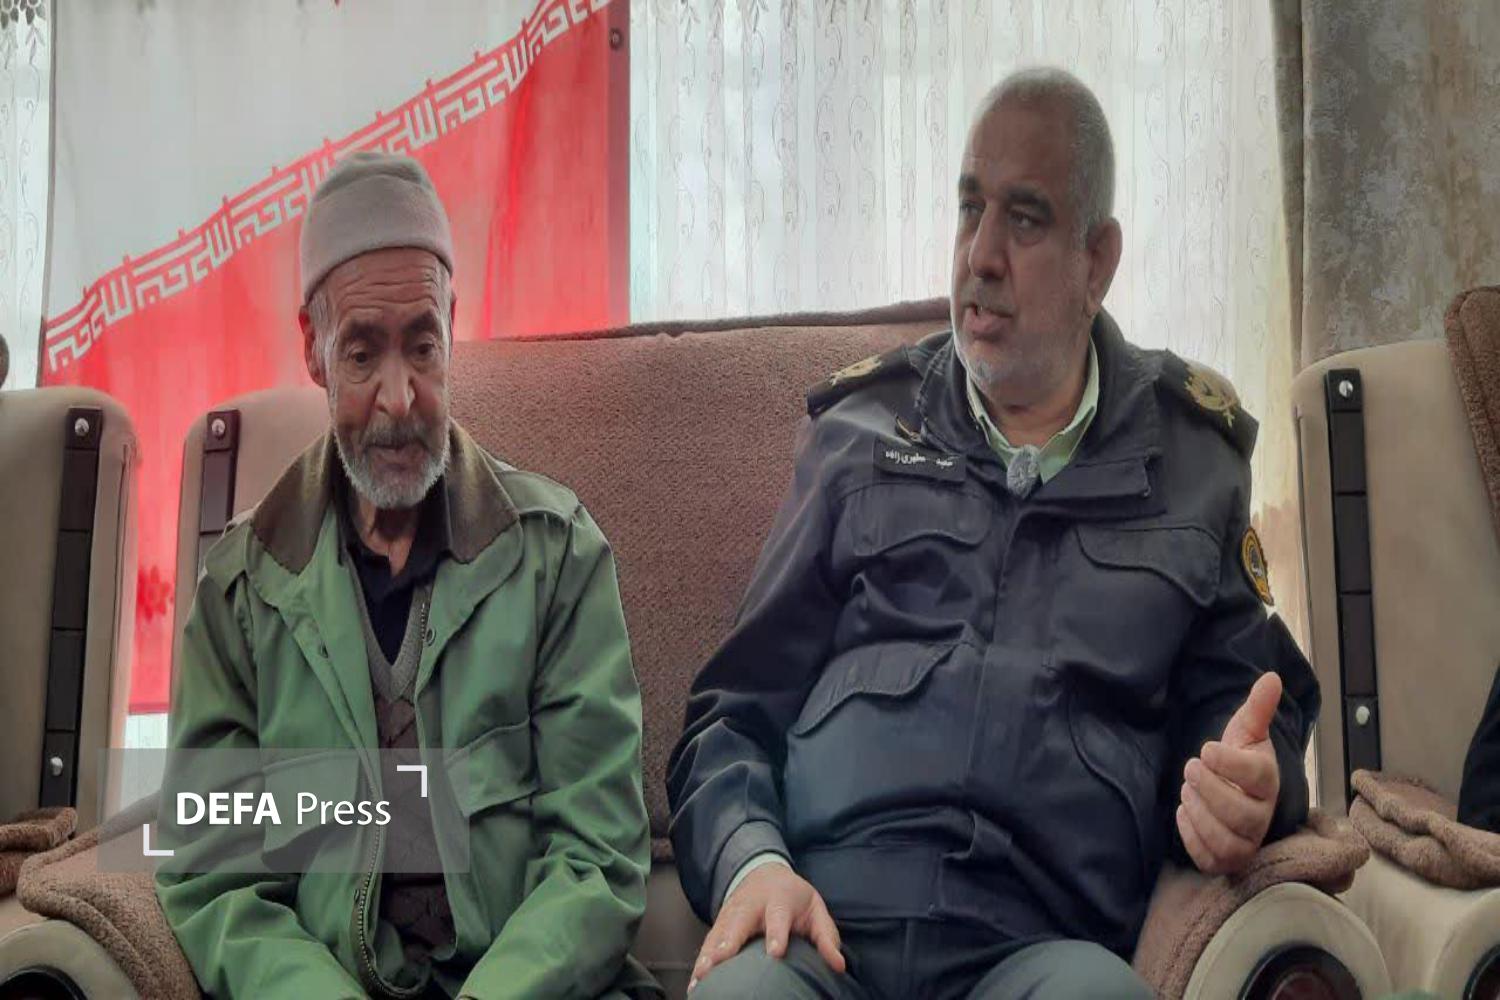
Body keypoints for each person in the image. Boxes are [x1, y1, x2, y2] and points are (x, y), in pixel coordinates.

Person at [667, 68, 1320, 998]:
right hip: (820, 931)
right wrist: (752, 863)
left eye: (1024, 219)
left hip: (1039, 948)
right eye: (970, 208)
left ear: (1098, 261)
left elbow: (1251, 710)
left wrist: (1251, 787)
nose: (980, 256)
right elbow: (729, 715)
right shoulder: (860, 434)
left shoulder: (1192, 462)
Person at [156, 151, 658, 999]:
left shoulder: (558, 558)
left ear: (451, 327)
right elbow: (216, 879)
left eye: (423, 347)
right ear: (313, 351)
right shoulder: (239, 595)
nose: (400, 397)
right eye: (362, 355)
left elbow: (596, 859)